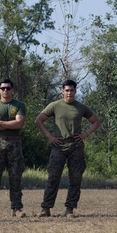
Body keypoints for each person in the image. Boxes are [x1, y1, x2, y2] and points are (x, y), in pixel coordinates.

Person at [35, 79, 101, 217]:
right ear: (62, 91)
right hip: (58, 145)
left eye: (72, 90)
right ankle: (46, 208)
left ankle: (69, 208)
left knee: (75, 178)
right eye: (67, 90)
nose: (69, 93)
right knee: (53, 176)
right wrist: (50, 136)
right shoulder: (54, 105)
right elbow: (39, 120)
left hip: (76, 145)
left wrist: (86, 134)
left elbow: (95, 122)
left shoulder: (81, 107)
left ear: (75, 91)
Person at [0, 78, 26, 218]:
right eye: (3, 88)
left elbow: (19, 124)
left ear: (12, 90)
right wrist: (9, 123)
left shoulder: (19, 105)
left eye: (8, 88)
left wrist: (1, 123)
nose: (5, 91)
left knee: (15, 176)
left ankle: (17, 208)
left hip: (15, 143)